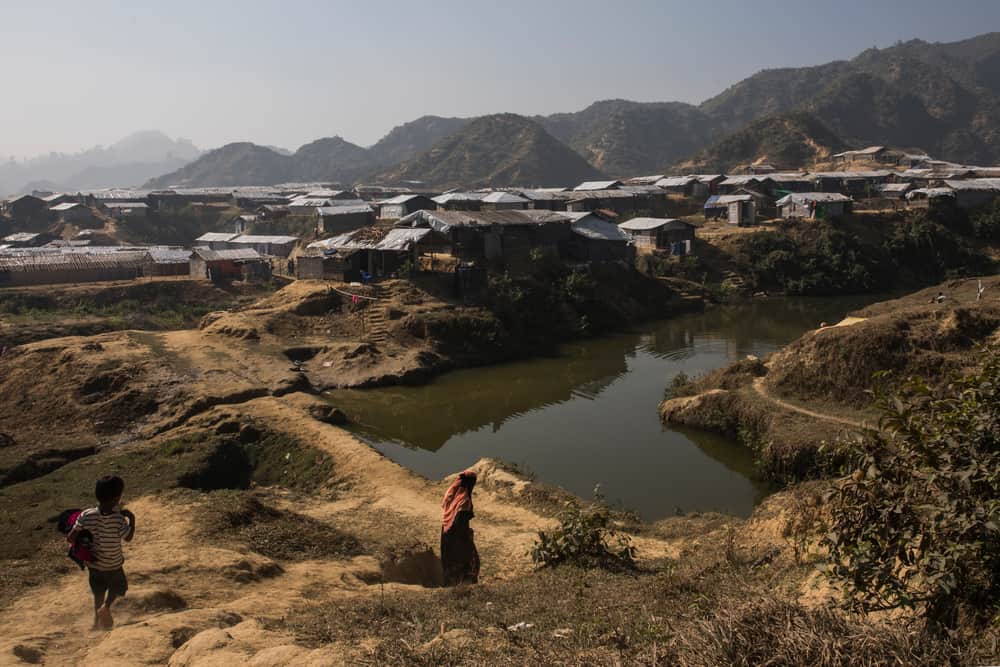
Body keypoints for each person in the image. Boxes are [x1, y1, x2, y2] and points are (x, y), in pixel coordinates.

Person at [67, 475, 135, 630]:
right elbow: (128, 538)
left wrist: (85, 546)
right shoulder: (118, 519)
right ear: (117, 498)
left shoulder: (86, 514)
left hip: (93, 563)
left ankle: (96, 623)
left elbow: (71, 538)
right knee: (118, 587)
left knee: (98, 592)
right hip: (113, 564)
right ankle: (106, 607)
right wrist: (132, 519)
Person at [440, 469, 479, 586]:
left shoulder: (452, 495)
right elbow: (459, 524)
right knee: (467, 562)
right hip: (458, 539)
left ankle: (449, 583)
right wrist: (468, 538)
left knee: (449, 561)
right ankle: (463, 586)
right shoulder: (464, 501)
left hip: (447, 535)